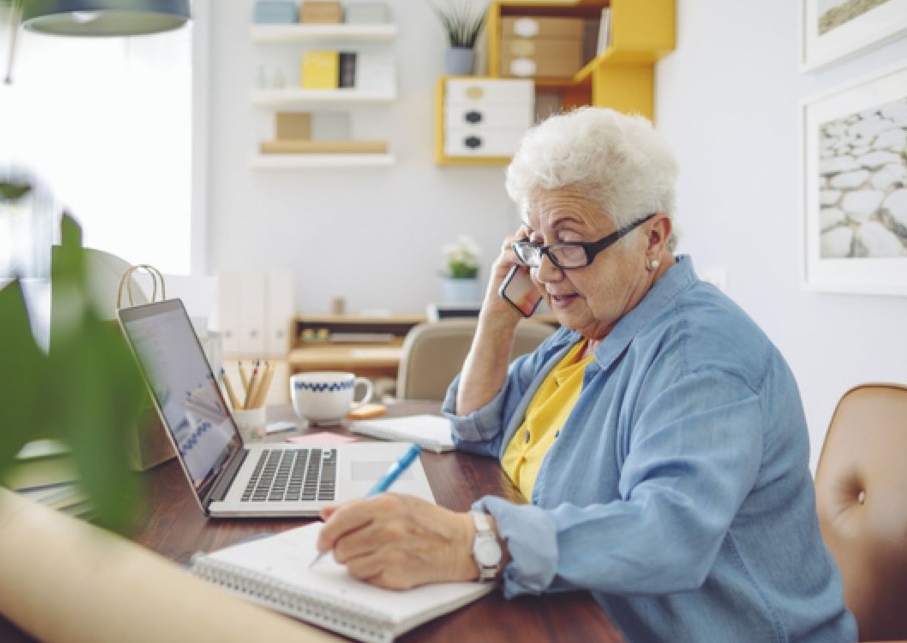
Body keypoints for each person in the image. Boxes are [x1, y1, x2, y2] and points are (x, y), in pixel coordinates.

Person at [317, 107, 857, 643]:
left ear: (653, 239)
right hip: (580, 611)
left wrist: (471, 542)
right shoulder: (587, 331)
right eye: (535, 242)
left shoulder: (700, 359)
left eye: (570, 243)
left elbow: (668, 535)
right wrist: (496, 316)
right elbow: (475, 427)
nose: (546, 271)